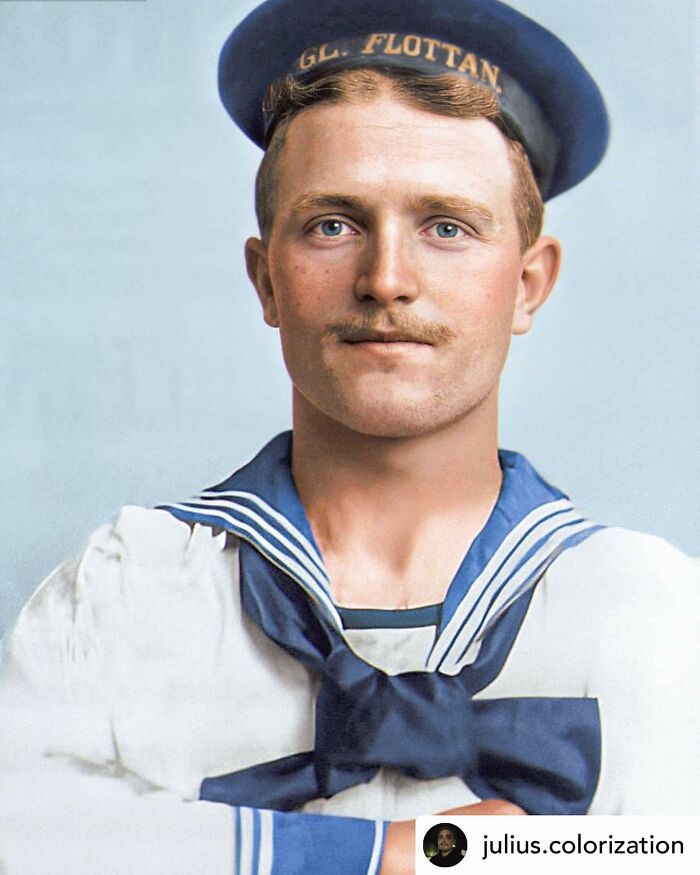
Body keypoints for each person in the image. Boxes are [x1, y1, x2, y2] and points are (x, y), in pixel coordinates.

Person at [0, 0, 697, 873]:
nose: (387, 279)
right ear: (266, 281)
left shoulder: (652, 616)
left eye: (446, 226)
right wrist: (405, 855)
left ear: (528, 283)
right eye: (334, 224)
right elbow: (26, 836)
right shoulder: (128, 595)